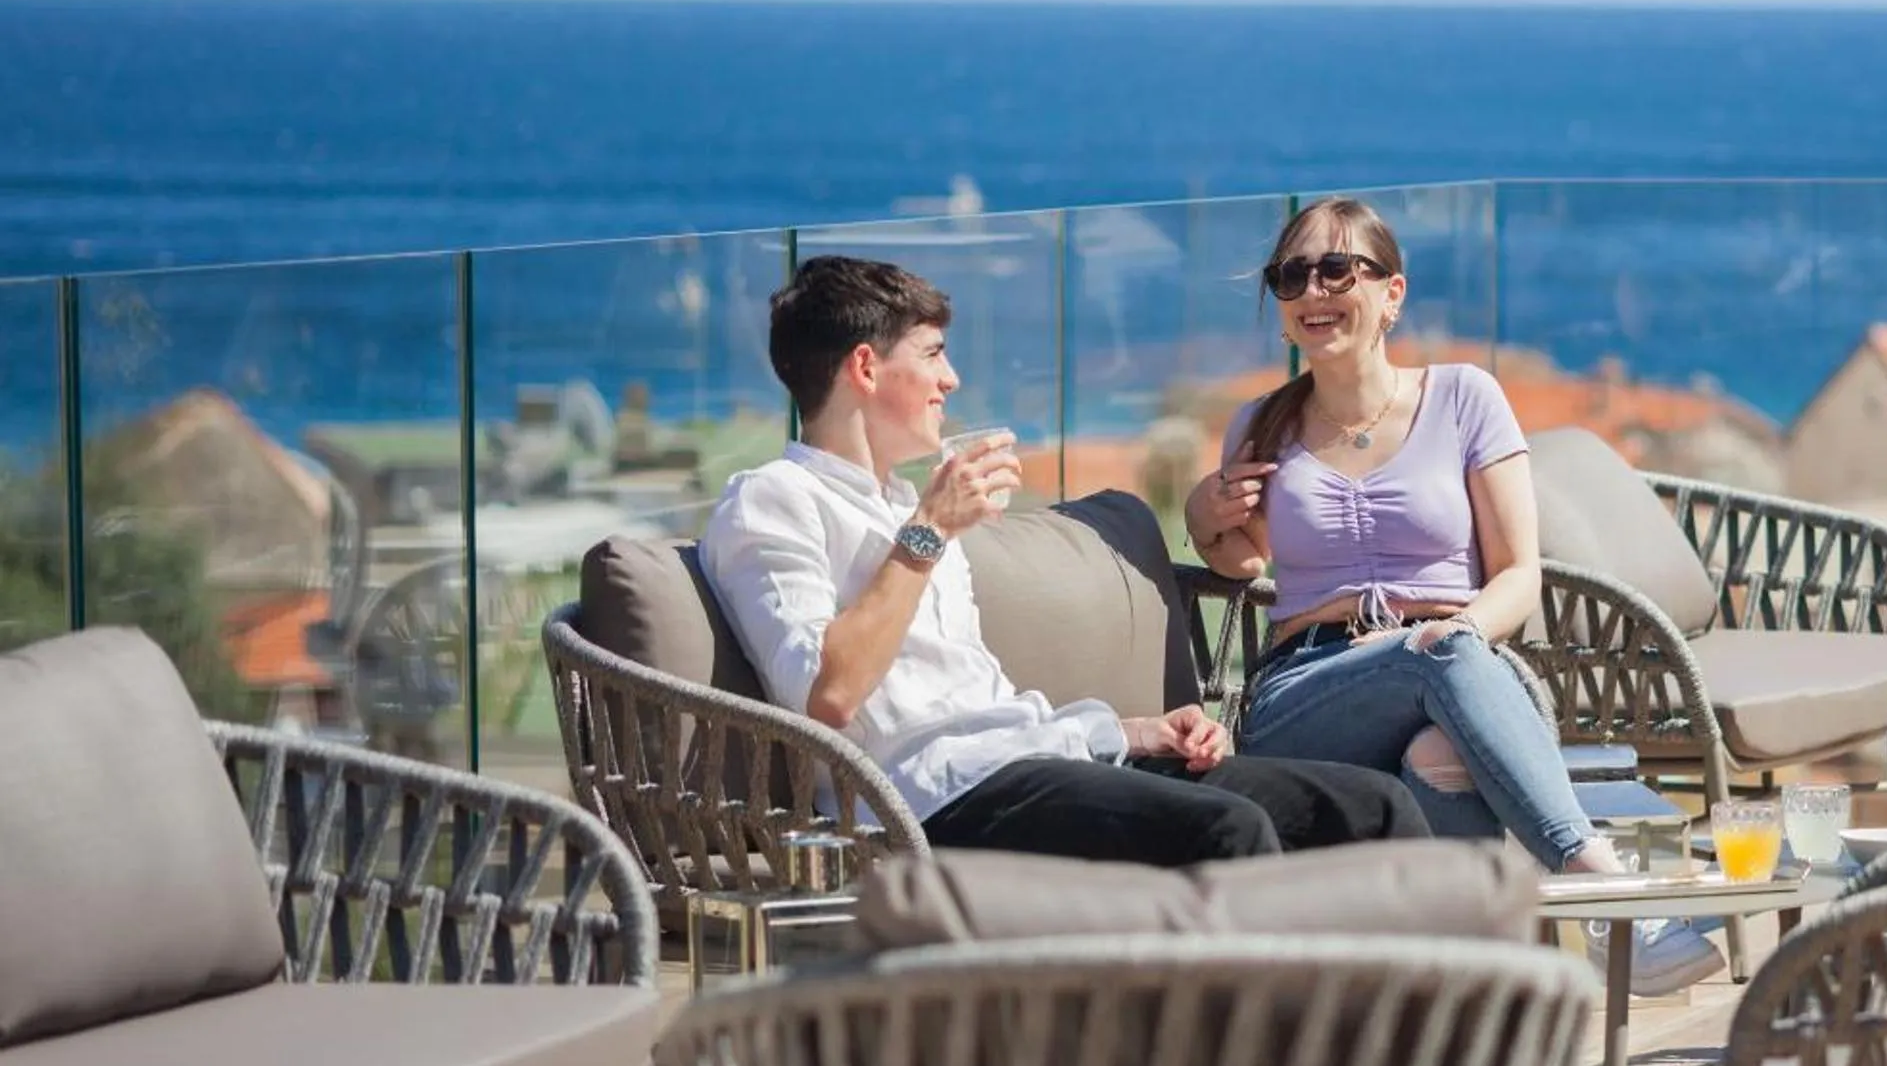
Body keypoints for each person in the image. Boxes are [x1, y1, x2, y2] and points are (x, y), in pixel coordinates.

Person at [702, 255, 1427, 869]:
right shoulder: (774, 500)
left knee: (1371, 807)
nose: (950, 378)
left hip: (1032, 758)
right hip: (927, 800)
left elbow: (982, 702)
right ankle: (1256, 1034)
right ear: (865, 365)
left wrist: (1141, 730)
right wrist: (927, 532)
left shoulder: (908, 507)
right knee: (1227, 830)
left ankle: (1431, 1025)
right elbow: (827, 697)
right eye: (931, 354)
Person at [1185, 196, 1725, 999]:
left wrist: (1450, 633)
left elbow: (1519, 574)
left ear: (1391, 293)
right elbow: (1238, 559)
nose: (1312, 291)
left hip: (1462, 665)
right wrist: (1204, 514)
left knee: (1438, 750)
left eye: (1336, 268)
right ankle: (1613, 903)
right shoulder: (1261, 424)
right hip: (1310, 688)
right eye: (1291, 275)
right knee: (1436, 661)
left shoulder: (1466, 398)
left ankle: (1486, 1025)